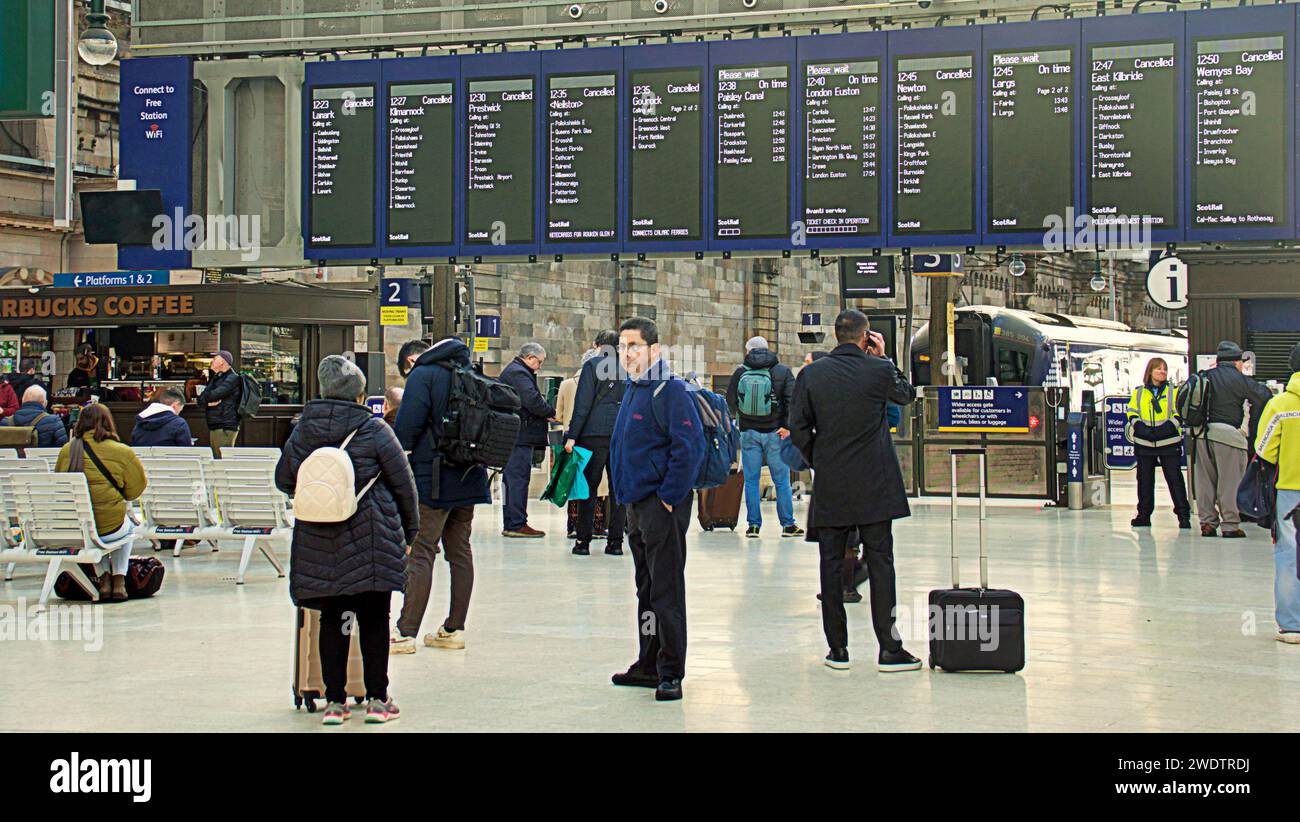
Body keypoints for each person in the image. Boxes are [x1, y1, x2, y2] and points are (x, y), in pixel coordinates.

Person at [275, 355, 419, 726]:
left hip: (320, 538)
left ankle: (335, 702)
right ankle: (377, 699)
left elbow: (284, 479)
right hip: (372, 535)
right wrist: (410, 532)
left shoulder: (303, 429)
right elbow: (404, 485)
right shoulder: (374, 430)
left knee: (334, 619)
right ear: (358, 396)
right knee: (374, 619)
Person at [790, 309, 921, 673]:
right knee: (882, 563)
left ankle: (838, 650)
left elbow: (798, 427)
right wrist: (885, 359)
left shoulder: (812, 374)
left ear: (836, 335)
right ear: (867, 337)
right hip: (875, 484)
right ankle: (890, 649)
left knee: (830, 566)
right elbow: (906, 396)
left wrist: (820, 458)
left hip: (832, 484)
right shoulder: (878, 371)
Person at [608, 317, 705, 702]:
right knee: (645, 589)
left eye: (633, 345)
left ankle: (670, 670)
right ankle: (647, 662)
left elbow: (689, 446)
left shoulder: (670, 390)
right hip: (636, 503)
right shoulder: (634, 389)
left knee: (666, 590)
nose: (626, 353)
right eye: (622, 346)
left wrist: (668, 496)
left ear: (654, 350)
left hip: (660, 506)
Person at [390, 337, 492, 654]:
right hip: (470, 475)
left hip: (433, 477)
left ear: (410, 362)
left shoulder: (423, 375)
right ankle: (453, 629)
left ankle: (405, 632)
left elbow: (406, 428)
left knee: (421, 550)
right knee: (459, 551)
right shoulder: (473, 375)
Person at [55, 403, 147, 603]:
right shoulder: (122, 451)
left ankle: (103, 578)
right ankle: (119, 579)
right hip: (110, 528)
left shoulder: (66, 451)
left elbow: (59, 485)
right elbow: (135, 491)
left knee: (92, 529)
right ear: (108, 423)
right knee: (128, 528)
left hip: (78, 528)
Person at [1192, 341, 1274, 538]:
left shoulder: (1205, 376)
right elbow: (1264, 396)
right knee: (1230, 482)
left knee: (1205, 481)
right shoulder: (1240, 380)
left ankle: (1207, 523)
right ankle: (1229, 525)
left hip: (1202, 435)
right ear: (1236, 362)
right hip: (1228, 436)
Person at [727, 336, 801, 539]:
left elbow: (730, 400)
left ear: (749, 350)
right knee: (782, 481)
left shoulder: (741, 371)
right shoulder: (782, 371)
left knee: (751, 480)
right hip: (776, 433)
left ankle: (753, 526)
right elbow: (792, 402)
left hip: (749, 433)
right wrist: (787, 427)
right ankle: (787, 525)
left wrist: (741, 422)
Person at [565, 330, 627, 557]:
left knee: (588, 489)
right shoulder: (628, 368)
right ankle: (616, 543)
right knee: (617, 489)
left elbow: (582, 404)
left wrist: (572, 436)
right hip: (620, 435)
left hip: (592, 435)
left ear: (599, 345)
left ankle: (583, 541)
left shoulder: (592, 365)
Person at [1255, 342, 1300, 644]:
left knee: (1288, 555)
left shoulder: (1281, 404)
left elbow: (1264, 450)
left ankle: (1292, 626)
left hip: (1290, 490)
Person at [498, 342, 556, 538]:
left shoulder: (515, 371)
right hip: (519, 436)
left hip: (514, 435)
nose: (539, 367)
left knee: (512, 480)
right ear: (530, 357)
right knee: (518, 480)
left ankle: (512, 522)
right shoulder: (518, 373)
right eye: (538, 362)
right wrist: (551, 412)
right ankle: (516, 524)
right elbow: (532, 400)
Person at [1127, 357, 1192, 530]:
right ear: (1150, 372)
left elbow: (1179, 413)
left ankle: (1183, 516)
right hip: (1144, 442)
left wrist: (1168, 427)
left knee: (1175, 479)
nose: (1162, 372)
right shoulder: (1139, 392)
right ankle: (1143, 515)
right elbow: (1132, 411)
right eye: (1158, 369)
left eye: (1164, 369)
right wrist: (1139, 427)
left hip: (1169, 442)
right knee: (1144, 481)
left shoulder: (1174, 391)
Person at [203, 350, 243, 456]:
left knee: (221, 459)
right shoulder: (217, 377)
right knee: (216, 457)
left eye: (215, 359)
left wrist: (207, 398)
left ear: (222, 362)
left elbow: (212, 395)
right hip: (217, 423)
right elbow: (203, 398)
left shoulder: (233, 378)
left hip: (225, 424)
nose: (212, 361)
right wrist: (207, 402)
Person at [0, 385, 66, 447]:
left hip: (11, 459)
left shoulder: (5, 422)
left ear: (23, 401)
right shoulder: (54, 421)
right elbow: (61, 448)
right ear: (45, 403)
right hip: (42, 458)